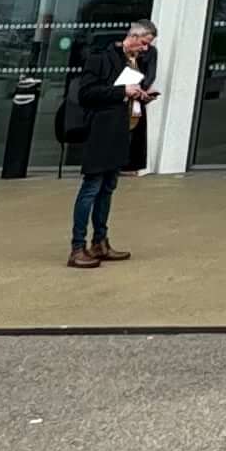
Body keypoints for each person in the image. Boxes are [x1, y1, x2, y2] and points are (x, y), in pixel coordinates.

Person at [66, 18, 153, 267]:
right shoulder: (99, 59)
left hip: (120, 132)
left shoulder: (134, 63)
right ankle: (77, 246)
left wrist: (139, 95)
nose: (145, 49)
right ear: (134, 37)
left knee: (107, 188)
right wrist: (122, 92)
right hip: (101, 131)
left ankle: (100, 241)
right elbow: (86, 94)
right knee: (91, 187)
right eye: (144, 43)